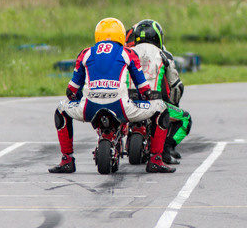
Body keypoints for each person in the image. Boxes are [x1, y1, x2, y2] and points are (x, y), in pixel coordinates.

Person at [49, 17, 176, 174]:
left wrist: (80, 97)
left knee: (61, 109)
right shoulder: (127, 53)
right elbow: (143, 88)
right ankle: (156, 159)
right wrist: (147, 97)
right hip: (121, 107)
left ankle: (66, 160)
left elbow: (71, 90)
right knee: (161, 108)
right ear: (121, 36)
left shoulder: (85, 53)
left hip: (89, 108)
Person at [126, 19, 189, 164]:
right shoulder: (164, 55)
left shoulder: (125, 53)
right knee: (185, 119)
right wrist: (173, 103)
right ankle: (166, 149)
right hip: (153, 103)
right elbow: (176, 86)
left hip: (127, 102)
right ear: (158, 37)